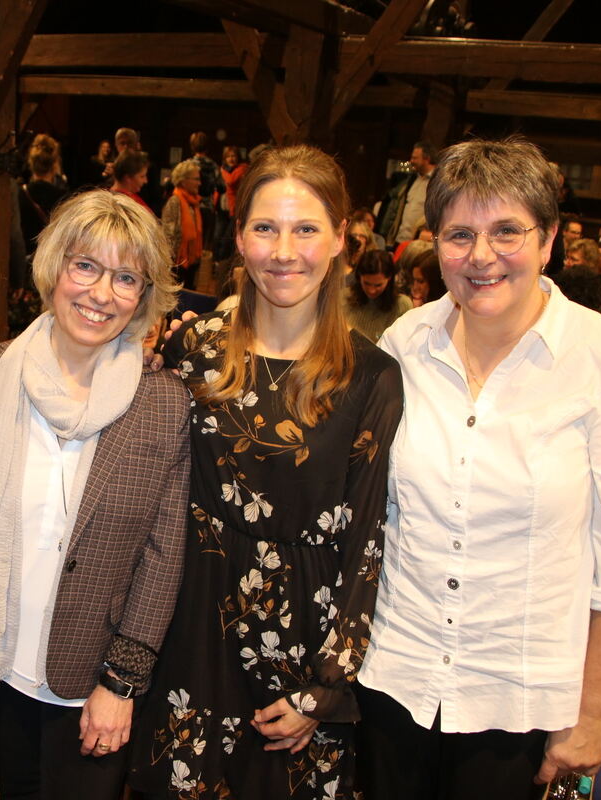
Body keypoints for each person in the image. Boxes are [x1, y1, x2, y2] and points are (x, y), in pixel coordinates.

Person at [356, 136, 601, 800]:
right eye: (459, 234)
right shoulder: (404, 344)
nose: (481, 256)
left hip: (520, 705)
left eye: (507, 232)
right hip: (394, 680)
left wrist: (593, 718)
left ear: (548, 239)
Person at [130, 144, 404, 799]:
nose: (284, 251)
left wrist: (326, 688)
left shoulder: (371, 377)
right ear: (240, 237)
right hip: (189, 633)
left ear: (340, 238)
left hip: (300, 651)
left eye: (306, 229)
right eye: (265, 228)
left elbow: (369, 543)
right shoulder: (191, 349)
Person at [0, 189, 190, 799]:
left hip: (91, 686)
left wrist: (121, 682)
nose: (101, 293)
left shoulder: (161, 402)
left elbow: (163, 556)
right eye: (86, 266)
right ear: (54, 268)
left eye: (126, 278)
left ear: (143, 296)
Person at [378, 141, 436, 246]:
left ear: (426, 159)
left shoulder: (438, 182)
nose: (411, 161)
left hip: (419, 243)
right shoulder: (410, 180)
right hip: (399, 240)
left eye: (415, 158)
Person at [346, 250, 412, 342]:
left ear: (389, 278)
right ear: (359, 277)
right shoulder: (344, 297)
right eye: (366, 283)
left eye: (378, 285)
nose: (371, 290)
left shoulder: (402, 305)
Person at [19, 138, 69, 255]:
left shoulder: (20, 193)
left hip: (25, 259)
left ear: (31, 163)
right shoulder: (63, 198)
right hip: (50, 260)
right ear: (55, 164)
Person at [162, 160, 204, 290]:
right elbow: (168, 235)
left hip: (191, 263)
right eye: (196, 179)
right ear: (183, 180)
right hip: (177, 266)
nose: (199, 183)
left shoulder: (194, 202)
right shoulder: (174, 201)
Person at [111, 150, 153, 215]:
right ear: (128, 178)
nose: (145, 181)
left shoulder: (104, 198)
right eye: (142, 176)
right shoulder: (130, 204)